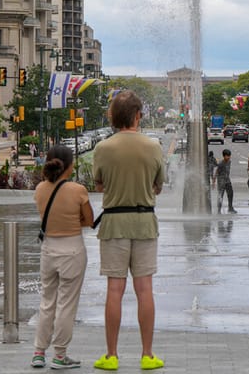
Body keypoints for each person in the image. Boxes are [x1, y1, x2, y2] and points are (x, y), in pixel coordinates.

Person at [91, 90, 165, 371]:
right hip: (145, 222)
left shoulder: (103, 148)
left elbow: (99, 185)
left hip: (114, 224)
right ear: (138, 116)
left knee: (115, 289)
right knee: (145, 290)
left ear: (113, 117)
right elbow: (158, 186)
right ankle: (147, 355)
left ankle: (111, 356)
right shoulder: (154, 146)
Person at [31, 144, 94, 370]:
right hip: (72, 249)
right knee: (67, 304)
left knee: (47, 301)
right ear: (69, 165)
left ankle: (39, 352)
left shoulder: (39, 189)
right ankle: (59, 355)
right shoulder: (78, 190)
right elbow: (89, 220)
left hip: (48, 249)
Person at [213, 149, 236, 214]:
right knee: (220, 195)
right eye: (227, 156)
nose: (228, 157)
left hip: (227, 180)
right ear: (224, 156)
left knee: (230, 194)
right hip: (221, 181)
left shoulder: (229, 161)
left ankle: (230, 208)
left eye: (229, 156)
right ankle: (219, 210)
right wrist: (214, 181)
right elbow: (216, 172)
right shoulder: (221, 163)